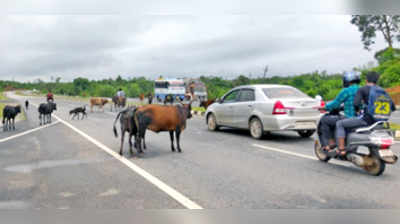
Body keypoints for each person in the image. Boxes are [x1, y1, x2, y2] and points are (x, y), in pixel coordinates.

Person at [334, 71, 396, 156]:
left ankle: (341, 149)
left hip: (367, 121)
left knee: (340, 124)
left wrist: (358, 111)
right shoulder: (383, 91)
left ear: (366, 80)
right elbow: (392, 108)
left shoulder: (363, 89)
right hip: (380, 123)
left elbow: (356, 103)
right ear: (377, 80)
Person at [318, 71, 361, 152]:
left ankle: (330, 143)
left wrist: (324, 107)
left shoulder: (347, 90)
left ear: (347, 80)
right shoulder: (362, 89)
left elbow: (336, 103)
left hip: (349, 117)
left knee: (325, 120)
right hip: (361, 118)